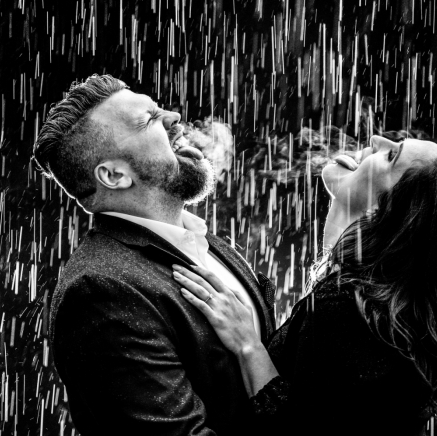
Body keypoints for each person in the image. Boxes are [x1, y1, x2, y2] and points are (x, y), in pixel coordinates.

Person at [175, 135, 437, 435]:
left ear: (379, 212)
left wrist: (249, 345)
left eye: (390, 155)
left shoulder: (348, 310)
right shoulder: (370, 308)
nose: (376, 139)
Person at [32, 74, 276, 435]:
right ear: (114, 175)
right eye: (150, 120)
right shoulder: (101, 291)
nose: (174, 118)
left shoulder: (203, 242)